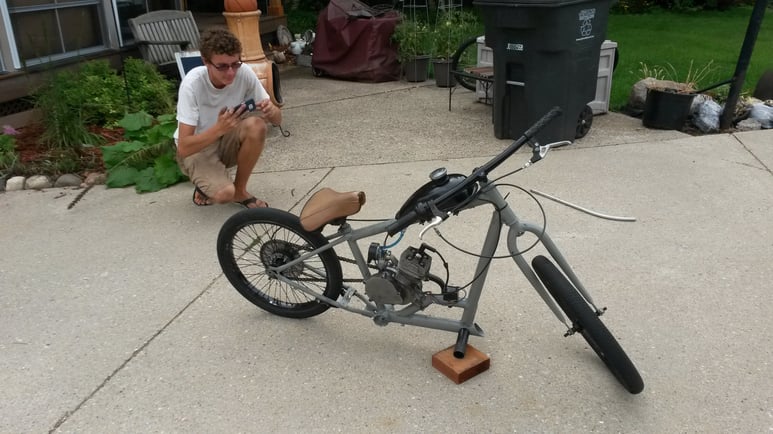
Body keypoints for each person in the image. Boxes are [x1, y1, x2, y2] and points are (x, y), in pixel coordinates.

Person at [175, 28, 282, 208]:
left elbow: (278, 121)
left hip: (226, 141)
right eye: (222, 66)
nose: (231, 72)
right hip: (197, 149)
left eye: (235, 63)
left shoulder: (244, 73)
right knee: (224, 194)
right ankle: (209, 183)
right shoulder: (192, 84)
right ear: (206, 62)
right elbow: (184, 148)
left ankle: (240, 191)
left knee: (257, 124)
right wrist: (219, 129)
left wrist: (272, 111)